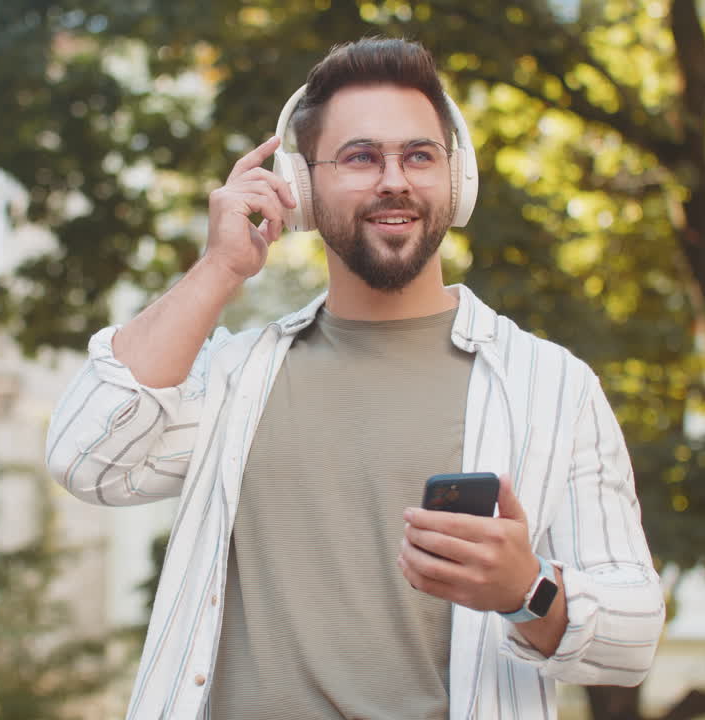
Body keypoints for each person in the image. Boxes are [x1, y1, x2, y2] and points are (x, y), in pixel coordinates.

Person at [46, 37, 664, 720]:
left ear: (456, 183)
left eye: (419, 156)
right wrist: (219, 268)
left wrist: (529, 590)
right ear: (303, 189)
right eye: (361, 157)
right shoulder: (239, 379)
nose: (394, 179)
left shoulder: (550, 386)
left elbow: (633, 639)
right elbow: (87, 457)